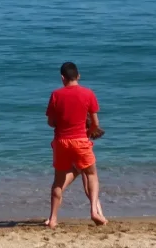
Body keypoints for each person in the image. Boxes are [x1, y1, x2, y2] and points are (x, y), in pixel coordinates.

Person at [45, 62, 107, 227]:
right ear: (78, 76)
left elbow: (51, 122)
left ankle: (53, 219)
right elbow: (95, 122)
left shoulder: (56, 95)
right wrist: (88, 133)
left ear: (62, 78)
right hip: (80, 140)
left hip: (61, 142)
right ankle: (94, 211)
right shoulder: (88, 93)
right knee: (91, 175)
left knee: (58, 181)